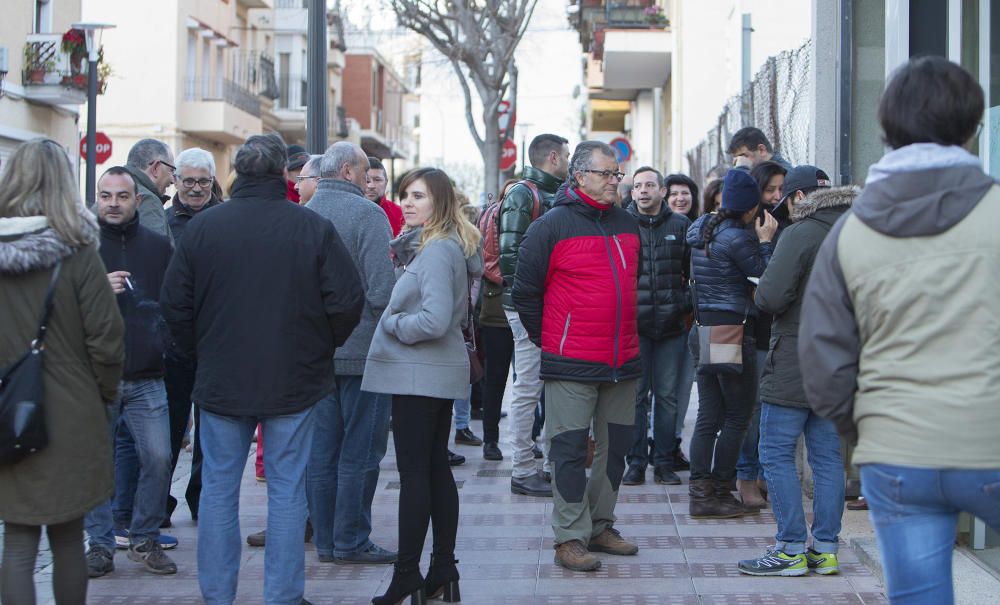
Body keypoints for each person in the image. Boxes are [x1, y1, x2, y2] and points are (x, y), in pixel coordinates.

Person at [800, 56, 1000, 605]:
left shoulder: (848, 232)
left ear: (887, 131)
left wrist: (868, 429)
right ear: (971, 127)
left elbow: (823, 363)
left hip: (897, 453)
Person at [161, 133, 364, 605]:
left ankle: (218, 594)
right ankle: (283, 596)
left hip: (223, 379)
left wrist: (202, 351)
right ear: (283, 175)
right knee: (288, 491)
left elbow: (175, 306)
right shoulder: (309, 228)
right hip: (292, 379)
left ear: (235, 174)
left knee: (217, 491)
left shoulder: (205, 229)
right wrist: (317, 349)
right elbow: (347, 300)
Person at [0, 139, 124, 605]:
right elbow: (107, 338)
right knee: (69, 534)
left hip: (6, 409)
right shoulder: (77, 253)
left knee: (17, 537)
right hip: (72, 412)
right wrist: (104, 395)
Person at [512, 141, 642, 572]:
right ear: (580, 176)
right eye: (606, 174)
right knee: (567, 451)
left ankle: (600, 525)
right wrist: (551, 342)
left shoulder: (627, 223)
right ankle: (570, 536)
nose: (613, 182)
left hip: (622, 359)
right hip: (570, 361)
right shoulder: (550, 226)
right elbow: (525, 293)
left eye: (616, 174)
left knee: (616, 449)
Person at [362, 167, 483, 604]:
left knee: (416, 476)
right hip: (431, 372)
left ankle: (407, 574)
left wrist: (393, 322)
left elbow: (434, 320)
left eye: (419, 196)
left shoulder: (435, 251)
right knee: (432, 471)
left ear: (441, 202)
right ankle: (442, 569)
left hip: (419, 373)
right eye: (405, 195)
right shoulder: (447, 245)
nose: (408, 203)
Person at [738, 176, 851, 577]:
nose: (782, 207)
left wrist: (769, 251)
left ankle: (789, 549)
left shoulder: (802, 232)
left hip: (797, 358)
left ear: (801, 197)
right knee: (827, 457)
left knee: (776, 453)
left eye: (786, 199)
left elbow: (769, 296)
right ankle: (825, 549)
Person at [304, 142, 397, 565]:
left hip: (314, 354)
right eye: (363, 172)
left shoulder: (303, 215)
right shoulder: (368, 215)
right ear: (346, 171)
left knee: (321, 453)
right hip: (363, 353)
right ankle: (351, 540)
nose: (367, 179)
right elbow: (382, 290)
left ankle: (325, 540)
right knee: (361, 451)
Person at [83, 166, 177, 577]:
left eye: (122, 196)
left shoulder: (159, 248)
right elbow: (57, 306)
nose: (114, 203)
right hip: (93, 376)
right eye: (106, 196)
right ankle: (100, 545)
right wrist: (96, 288)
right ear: (97, 199)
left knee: (159, 458)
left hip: (147, 376)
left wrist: (167, 344)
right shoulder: (81, 249)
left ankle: (144, 537)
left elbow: (176, 304)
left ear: (137, 200)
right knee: (95, 464)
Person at [686, 169, 777, 519]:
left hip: (704, 329)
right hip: (731, 331)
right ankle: (720, 492)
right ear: (750, 206)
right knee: (738, 415)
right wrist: (767, 242)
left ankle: (699, 493)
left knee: (709, 415)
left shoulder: (702, 229)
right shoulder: (739, 237)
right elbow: (765, 281)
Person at [499, 133, 570, 497]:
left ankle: (540, 465)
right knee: (527, 388)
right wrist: (530, 305)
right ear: (554, 157)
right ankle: (522, 468)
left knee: (542, 387)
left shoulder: (551, 193)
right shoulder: (523, 194)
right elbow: (511, 256)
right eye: (568, 155)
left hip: (548, 306)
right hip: (529, 308)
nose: (570, 161)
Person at [162, 147, 223, 525]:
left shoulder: (226, 219)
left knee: (212, 430)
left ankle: (200, 498)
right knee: (169, 425)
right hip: (174, 340)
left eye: (203, 181)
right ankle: (158, 501)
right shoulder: (164, 222)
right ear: (176, 181)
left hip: (216, 338)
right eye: (189, 181)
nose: (196, 188)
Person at [622, 167, 692, 488]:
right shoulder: (621, 225)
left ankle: (663, 462)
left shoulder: (681, 226)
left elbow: (696, 275)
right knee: (635, 397)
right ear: (632, 192)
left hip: (671, 328)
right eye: (639, 186)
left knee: (666, 398)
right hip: (634, 327)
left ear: (662, 190)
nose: (644, 190)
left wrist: (683, 304)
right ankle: (635, 462)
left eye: (651, 184)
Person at [734, 159, 788, 510]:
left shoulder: (786, 224)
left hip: (780, 330)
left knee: (774, 408)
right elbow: (762, 283)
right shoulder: (747, 228)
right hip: (751, 329)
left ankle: (766, 473)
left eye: (781, 189)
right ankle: (745, 474)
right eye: (770, 190)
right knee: (751, 408)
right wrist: (765, 242)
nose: (777, 196)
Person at [478, 179, 520, 461]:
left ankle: (527, 436)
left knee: (528, 380)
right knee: (496, 378)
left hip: (518, 305)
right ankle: (490, 439)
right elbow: (487, 260)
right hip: (496, 307)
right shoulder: (492, 216)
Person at [124, 138, 175, 240]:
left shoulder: (110, 193)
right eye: (171, 170)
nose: (172, 179)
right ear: (156, 168)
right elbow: (155, 252)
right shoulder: (147, 200)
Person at [366, 156, 405, 236]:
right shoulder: (347, 212)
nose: (371, 185)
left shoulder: (401, 215)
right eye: (366, 180)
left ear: (386, 182)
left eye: (377, 180)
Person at [728, 127, 792, 171]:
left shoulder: (783, 176)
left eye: (743, 156)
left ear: (761, 150)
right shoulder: (762, 175)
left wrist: (742, 170)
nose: (740, 162)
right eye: (737, 159)